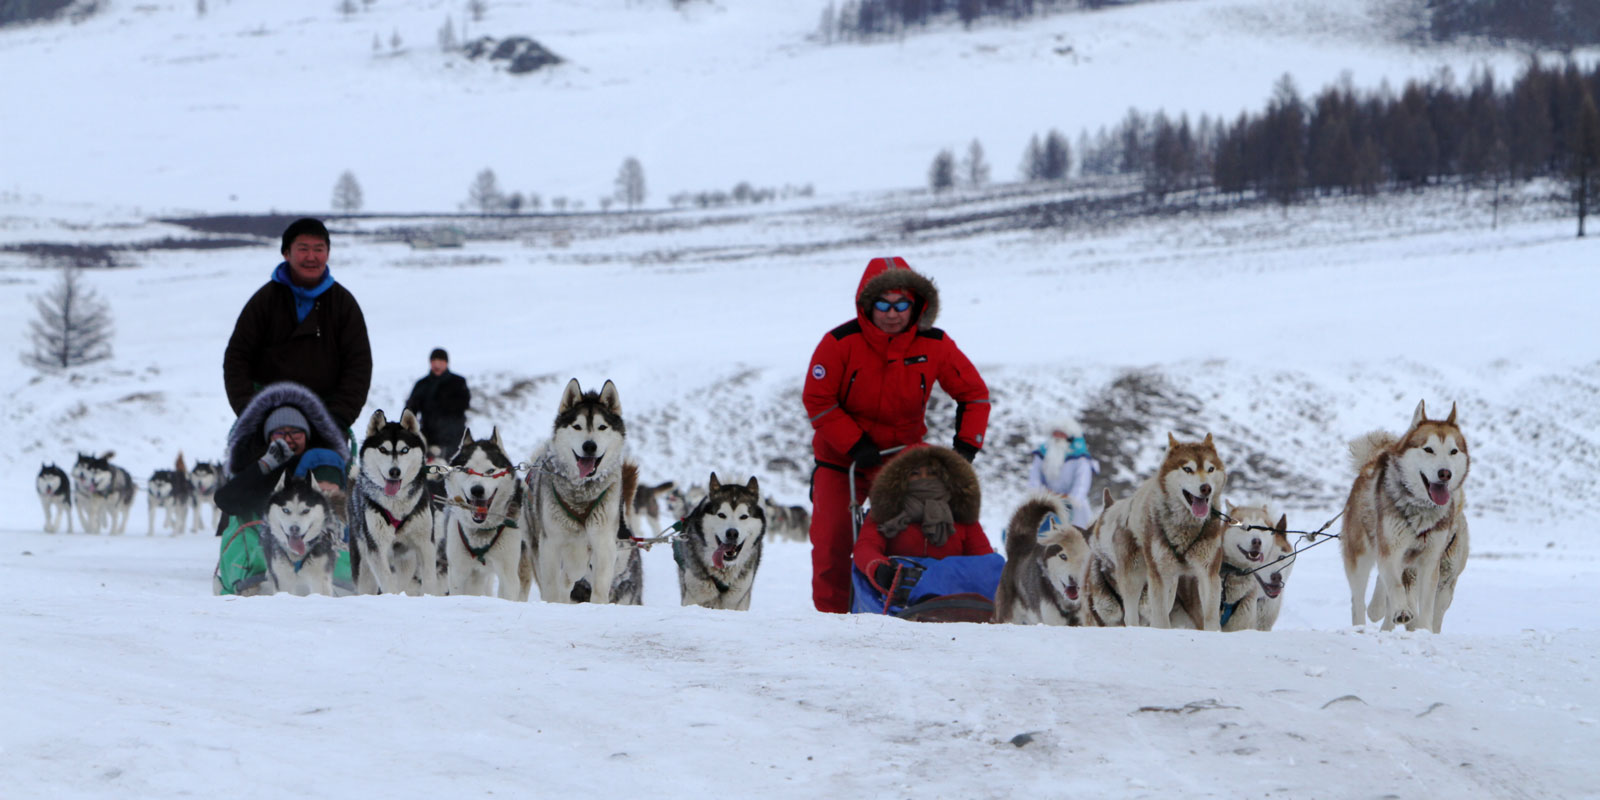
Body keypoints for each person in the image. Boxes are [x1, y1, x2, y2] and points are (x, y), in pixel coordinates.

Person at [802, 255, 991, 613]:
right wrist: (855, 444)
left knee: (932, 526)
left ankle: (931, 605)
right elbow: (818, 399)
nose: (892, 313)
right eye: (883, 305)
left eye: (902, 304)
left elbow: (974, 394)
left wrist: (964, 449)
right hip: (843, 460)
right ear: (866, 305)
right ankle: (833, 624)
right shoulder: (840, 342)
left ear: (917, 304)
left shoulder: (935, 344)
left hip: (905, 458)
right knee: (830, 542)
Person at [223, 217, 372, 432]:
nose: (311, 257)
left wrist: (339, 418)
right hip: (266, 418)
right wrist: (250, 412)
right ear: (286, 253)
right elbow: (237, 358)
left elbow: (359, 366)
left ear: (327, 254)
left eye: (318, 249)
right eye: (303, 249)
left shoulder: (343, 304)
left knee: (323, 466)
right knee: (255, 465)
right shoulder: (264, 301)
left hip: (326, 418)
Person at [852, 444, 994, 607]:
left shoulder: (960, 515)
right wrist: (879, 569)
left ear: (944, 477)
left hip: (950, 596)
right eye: (915, 473)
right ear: (901, 478)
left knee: (995, 564)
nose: (924, 479)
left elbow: (985, 562)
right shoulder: (885, 512)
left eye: (932, 473)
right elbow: (866, 548)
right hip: (896, 592)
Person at [215, 383, 349, 520]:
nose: (288, 440)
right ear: (269, 438)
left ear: (307, 436)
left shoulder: (322, 463)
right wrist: (264, 465)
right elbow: (225, 500)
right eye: (280, 433)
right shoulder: (262, 469)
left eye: (296, 433)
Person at [1027, 417, 1099, 529]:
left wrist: (1072, 499)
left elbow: (1082, 481)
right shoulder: (1042, 453)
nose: (1058, 436)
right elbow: (1034, 476)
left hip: (1074, 507)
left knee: (1077, 533)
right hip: (1047, 501)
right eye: (1055, 433)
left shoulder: (1080, 458)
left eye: (1061, 434)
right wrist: (1040, 493)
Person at [405, 347, 471, 460]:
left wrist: (443, 403)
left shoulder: (458, 382)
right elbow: (410, 409)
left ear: (446, 363)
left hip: (455, 437)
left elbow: (464, 404)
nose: (437, 365)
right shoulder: (422, 384)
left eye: (440, 362)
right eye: (434, 362)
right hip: (429, 437)